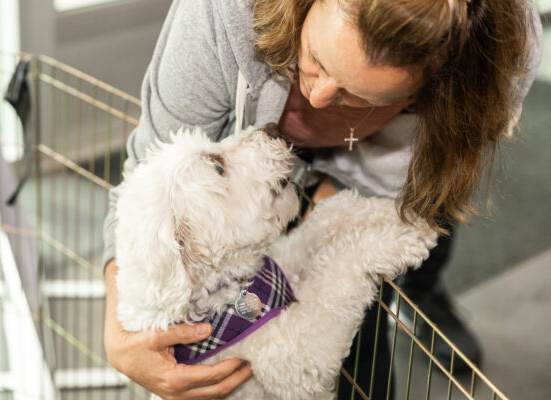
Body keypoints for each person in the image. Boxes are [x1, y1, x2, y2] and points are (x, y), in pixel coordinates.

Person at [101, 0, 543, 398]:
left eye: (358, 96)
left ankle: (423, 291)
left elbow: (417, 191)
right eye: (314, 59)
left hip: (371, 181)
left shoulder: (497, 59)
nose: (319, 95)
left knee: (365, 321)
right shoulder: (221, 14)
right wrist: (119, 335)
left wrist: (343, 229)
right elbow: (144, 184)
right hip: (250, 187)